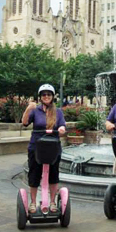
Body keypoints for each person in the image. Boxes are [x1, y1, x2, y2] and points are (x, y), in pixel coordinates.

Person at [22, 84, 66, 213]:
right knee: (34, 174)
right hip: (36, 147)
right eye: (44, 94)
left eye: (48, 94)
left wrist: (61, 129)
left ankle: (52, 202)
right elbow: (24, 123)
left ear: (52, 97)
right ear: (40, 97)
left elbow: (62, 125)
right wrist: (28, 109)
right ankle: (33, 202)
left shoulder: (58, 112)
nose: (46, 96)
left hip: (53, 147)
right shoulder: (35, 111)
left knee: (53, 174)